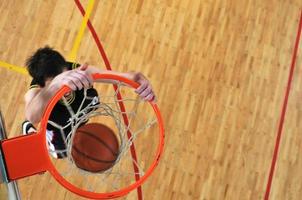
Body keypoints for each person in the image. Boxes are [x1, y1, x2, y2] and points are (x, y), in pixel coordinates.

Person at [22, 46, 155, 158]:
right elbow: (31, 115)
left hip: (77, 118)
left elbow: (122, 77)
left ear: (68, 70)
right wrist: (54, 86)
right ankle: (31, 132)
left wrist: (136, 80)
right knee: (60, 153)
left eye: (65, 77)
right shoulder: (36, 92)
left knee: (81, 122)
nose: (64, 88)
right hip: (58, 130)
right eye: (57, 84)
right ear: (42, 86)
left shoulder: (78, 72)